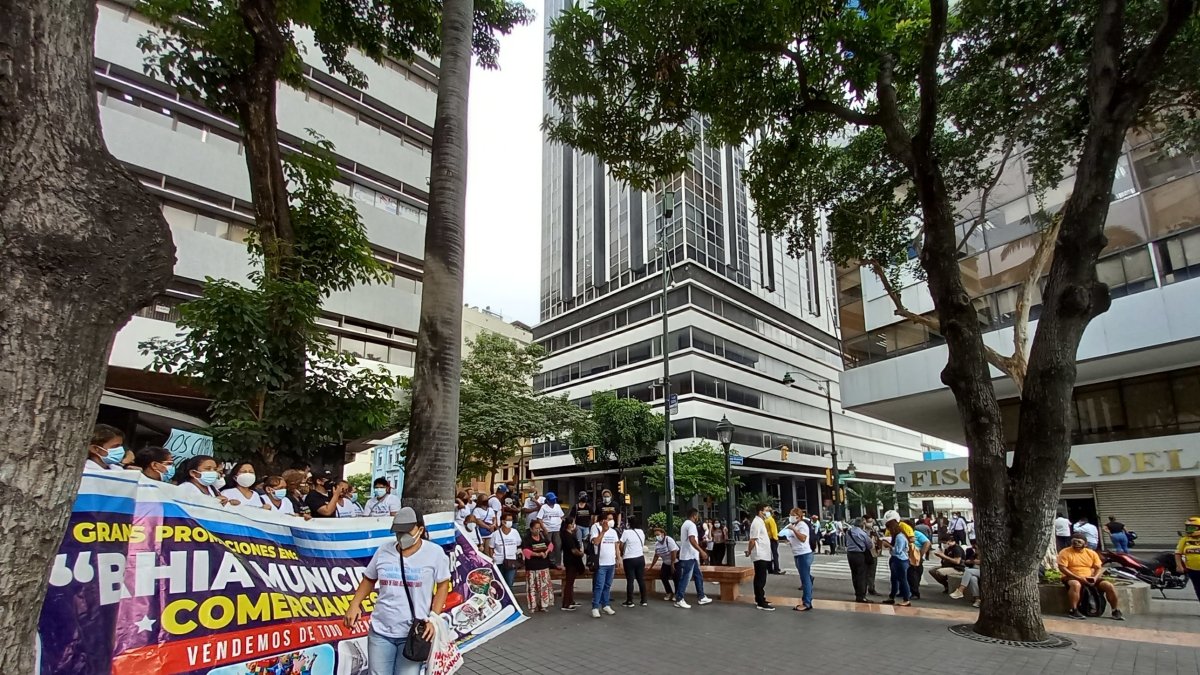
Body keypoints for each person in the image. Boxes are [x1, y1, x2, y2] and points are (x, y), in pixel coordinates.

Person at [344, 507, 450, 675]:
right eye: (398, 532)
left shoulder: (434, 553)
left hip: (413, 633)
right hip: (381, 630)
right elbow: (369, 579)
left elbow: (443, 585)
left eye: (406, 531)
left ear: (420, 530)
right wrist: (354, 604)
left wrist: (433, 618)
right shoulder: (384, 551)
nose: (402, 536)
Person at [1058, 532, 1124, 620]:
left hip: (1089, 576)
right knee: (1076, 585)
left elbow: (1098, 568)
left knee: (1109, 586)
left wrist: (1095, 577)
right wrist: (1078, 578)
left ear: (1085, 544)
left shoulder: (1091, 553)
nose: (1076, 544)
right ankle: (1073, 610)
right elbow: (1062, 568)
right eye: (1074, 542)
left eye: (1079, 542)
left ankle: (1115, 610)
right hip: (1071, 576)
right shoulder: (1065, 552)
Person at [675, 507, 713, 608]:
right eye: (697, 515)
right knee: (686, 577)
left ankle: (701, 596)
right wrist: (701, 551)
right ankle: (679, 598)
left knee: (698, 575)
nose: (698, 517)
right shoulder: (691, 525)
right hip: (689, 556)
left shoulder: (685, 524)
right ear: (694, 515)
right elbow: (692, 540)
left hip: (690, 555)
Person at [589, 513, 621, 617]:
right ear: (603, 520)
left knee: (607, 585)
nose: (612, 521)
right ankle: (595, 607)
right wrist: (603, 531)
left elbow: (616, 546)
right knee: (599, 585)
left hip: (611, 563)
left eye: (612, 519)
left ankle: (606, 604)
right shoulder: (595, 528)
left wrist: (618, 558)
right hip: (601, 563)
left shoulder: (613, 532)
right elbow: (596, 542)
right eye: (609, 519)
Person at [746, 503, 776, 611]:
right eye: (767, 510)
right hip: (759, 554)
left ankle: (760, 598)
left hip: (763, 554)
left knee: (761, 577)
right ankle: (760, 601)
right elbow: (752, 540)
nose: (768, 512)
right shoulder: (756, 523)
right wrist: (749, 551)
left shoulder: (760, 521)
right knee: (760, 578)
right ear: (760, 511)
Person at [782, 508, 813, 611]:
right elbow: (795, 539)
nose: (790, 516)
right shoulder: (795, 525)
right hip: (798, 554)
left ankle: (807, 603)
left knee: (805, 579)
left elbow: (803, 538)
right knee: (805, 577)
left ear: (798, 516)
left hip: (803, 554)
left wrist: (793, 530)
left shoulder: (802, 525)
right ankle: (807, 599)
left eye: (792, 515)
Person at [522, 518, 555, 612]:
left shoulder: (543, 537)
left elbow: (551, 545)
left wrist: (547, 552)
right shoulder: (526, 539)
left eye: (539, 528)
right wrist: (537, 554)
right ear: (531, 529)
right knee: (532, 587)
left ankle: (543, 605)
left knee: (544, 586)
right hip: (532, 567)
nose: (538, 530)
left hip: (543, 566)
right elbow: (525, 551)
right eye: (536, 528)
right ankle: (532, 606)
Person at [881, 511, 912, 606]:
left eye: (889, 528)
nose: (889, 530)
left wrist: (889, 546)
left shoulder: (900, 537)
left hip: (900, 560)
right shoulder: (897, 536)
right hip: (895, 559)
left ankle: (906, 599)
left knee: (902, 579)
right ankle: (892, 597)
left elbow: (897, 551)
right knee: (894, 579)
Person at [620, 515, 648, 607]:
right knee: (641, 579)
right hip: (640, 558)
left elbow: (621, 544)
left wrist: (621, 552)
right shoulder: (641, 532)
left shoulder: (626, 532)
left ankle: (630, 601)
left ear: (629, 523)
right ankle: (644, 600)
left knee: (630, 580)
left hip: (629, 559)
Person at [845, 517, 874, 603]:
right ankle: (861, 595)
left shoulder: (848, 532)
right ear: (862, 524)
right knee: (861, 575)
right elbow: (869, 545)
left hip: (850, 554)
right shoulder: (862, 533)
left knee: (854, 574)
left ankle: (857, 592)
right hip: (859, 554)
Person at [560, 518, 585, 611]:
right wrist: (581, 553)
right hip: (571, 561)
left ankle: (571, 601)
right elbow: (573, 550)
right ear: (569, 524)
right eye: (573, 523)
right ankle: (566, 604)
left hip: (574, 561)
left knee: (571, 582)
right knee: (569, 583)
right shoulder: (567, 535)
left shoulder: (571, 534)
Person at [1174, 516, 1200, 606]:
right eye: (1188, 527)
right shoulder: (1184, 540)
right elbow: (1178, 554)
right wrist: (1179, 566)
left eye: (1192, 527)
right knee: (1198, 589)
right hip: (1193, 570)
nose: (1189, 530)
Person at [536, 492, 565, 567]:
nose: (554, 501)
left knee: (558, 545)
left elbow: (562, 516)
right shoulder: (544, 507)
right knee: (549, 546)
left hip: (557, 529)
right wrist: (544, 528)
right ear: (548, 500)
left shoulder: (557, 506)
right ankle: (550, 562)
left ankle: (558, 563)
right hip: (548, 529)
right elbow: (539, 519)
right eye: (552, 500)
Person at [950, 538, 981, 608]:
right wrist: (972, 561)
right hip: (974, 570)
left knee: (968, 571)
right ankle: (977, 599)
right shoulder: (972, 552)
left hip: (981, 571)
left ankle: (961, 590)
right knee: (973, 579)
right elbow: (967, 561)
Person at [651, 525, 680, 601]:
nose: (657, 537)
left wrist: (672, 564)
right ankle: (669, 592)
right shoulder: (657, 544)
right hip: (666, 563)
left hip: (675, 562)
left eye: (658, 535)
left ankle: (677, 593)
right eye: (655, 535)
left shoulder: (668, 540)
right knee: (663, 576)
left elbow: (673, 551)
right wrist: (651, 566)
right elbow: (656, 556)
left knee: (675, 578)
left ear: (662, 534)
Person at [906, 520, 931, 599]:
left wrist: (921, 554)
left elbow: (927, 543)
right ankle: (910, 590)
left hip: (915, 556)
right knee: (910, 574)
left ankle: (915, 593)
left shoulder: (916, 534)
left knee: (913, 574)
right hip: (907, 556)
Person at [864, 516, 882, 597]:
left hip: (873, 552)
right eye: (869, 521)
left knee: (872, 571)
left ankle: (871, 587)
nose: (870, 524)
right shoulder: (862, 531)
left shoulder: (873, 530)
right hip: (865, 553)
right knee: (864, 572)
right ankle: (864, 588)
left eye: (871, 522)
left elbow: (878, 539)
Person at [765, 507, 783, 574]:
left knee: (769, 554)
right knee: (775, 554)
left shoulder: (765, 520)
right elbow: (773, 530)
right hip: (773, 539)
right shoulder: (771, 520)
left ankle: (769, 569)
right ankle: (776, 569)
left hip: (768, 538)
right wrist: (776, 538)